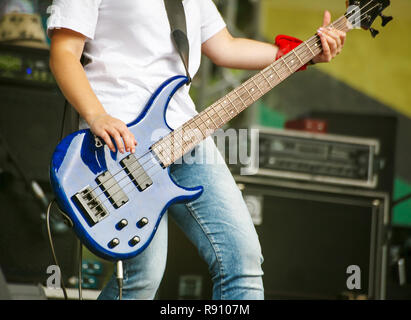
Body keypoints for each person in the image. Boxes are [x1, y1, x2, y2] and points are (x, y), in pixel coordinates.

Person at [47, 0, 346, 300]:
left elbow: (225, 47)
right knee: (144, 278)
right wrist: (96, 115)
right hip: (120, 141)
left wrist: (303, 53)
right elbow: (64, 52)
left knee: (242, 260)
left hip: (185, 133)